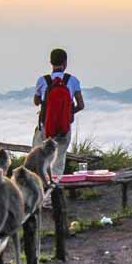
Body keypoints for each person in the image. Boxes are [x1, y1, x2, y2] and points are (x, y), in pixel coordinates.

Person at [32, 48, 85, 178]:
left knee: (39, 160)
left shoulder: (42, 80)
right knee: (58, 162)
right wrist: (66, 114)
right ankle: (55, 191)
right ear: (65, 63)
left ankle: (40, 191)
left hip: (45, 126)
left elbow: (36, 101)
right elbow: (81, 105)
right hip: (64, 128)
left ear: (50, 62)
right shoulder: (72, 81)